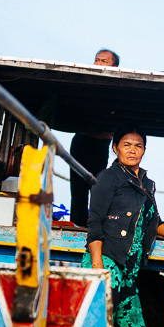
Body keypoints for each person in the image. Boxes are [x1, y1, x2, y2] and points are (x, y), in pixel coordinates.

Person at [83, 124, 164, 327]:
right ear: (115, 148)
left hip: (128, 273)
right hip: (107, 266)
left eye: (138, 146)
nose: (132, 150)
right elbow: (94, 223)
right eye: (127, 145)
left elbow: (156, 223)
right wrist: (98, 265)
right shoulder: (107, 179)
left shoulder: (146, 185)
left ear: (144, 151)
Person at [68, 49, 120, 226]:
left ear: (114, 66)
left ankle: (96, 225)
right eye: (96, 60)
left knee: (97, 185)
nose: (98, 64)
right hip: (80, 139)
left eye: (104, 61)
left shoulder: (118, 86)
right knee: (77, 186)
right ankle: (77, 222)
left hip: (100, 143)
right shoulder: (86, 81)